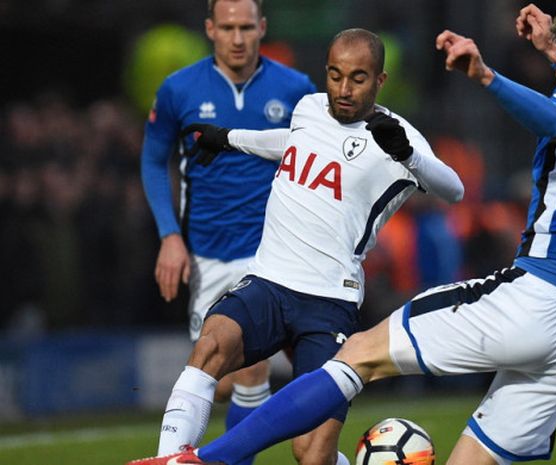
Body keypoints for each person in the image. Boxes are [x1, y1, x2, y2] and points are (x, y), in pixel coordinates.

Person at [127, 3, 556, 465]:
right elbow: (287, 140)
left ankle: (202, 459)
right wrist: (230, 139)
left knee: (358, 358)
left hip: (535, 295)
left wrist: (487, 77)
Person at [129, 27, 464, 465]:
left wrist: (409, 156)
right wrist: (227, 138)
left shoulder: (398, 136)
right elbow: (289, 142)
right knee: (209, 347)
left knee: (310, 452)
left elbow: (453, 189)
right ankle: (171, 462)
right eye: (335, 75)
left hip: (329, 302)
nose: (343, 89)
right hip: (268, 282)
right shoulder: (309, 107)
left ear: (379, 81)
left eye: (358, 78)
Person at [139, 0, 316, 461]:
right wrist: (169, 236)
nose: (237, 38)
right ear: (209, 30)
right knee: (218, 376)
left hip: (274, 251)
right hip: (206, 253)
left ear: (262, 28)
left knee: (253, 370)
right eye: (227, 27)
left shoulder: (296, 87)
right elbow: (154, 160)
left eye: (246, 27)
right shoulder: (179, 89)